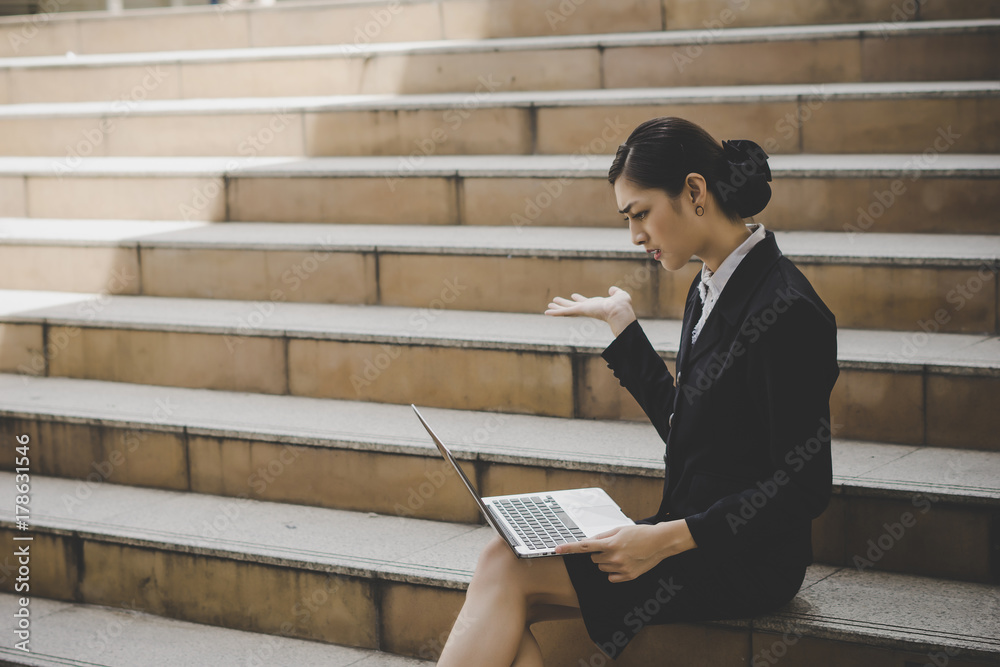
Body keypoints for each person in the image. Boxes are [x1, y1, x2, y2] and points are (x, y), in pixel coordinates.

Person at [435, 116, 841, 666]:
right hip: (686, 532)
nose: (635, 236)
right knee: (504, 570)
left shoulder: (787, 310)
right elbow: (691, 428)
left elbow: (803, 488)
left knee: (505, 570)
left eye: (641, 213)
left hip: (742, 557)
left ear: (695, 191)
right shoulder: (710, 282)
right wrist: (624, 329)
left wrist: (663, 540)